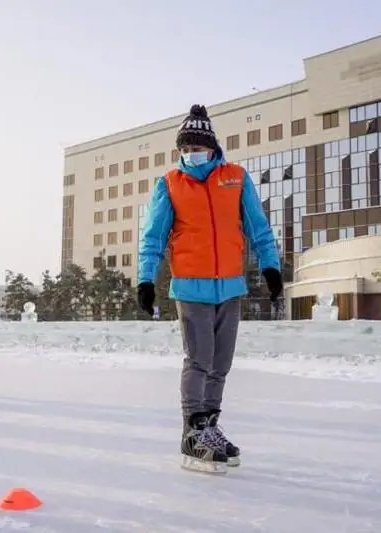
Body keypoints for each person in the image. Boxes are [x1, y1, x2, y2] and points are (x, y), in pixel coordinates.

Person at [137, 104, 283, 473]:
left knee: (221, 364)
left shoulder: (235, 177)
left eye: (196, 146)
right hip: (189, 288)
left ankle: (209, 427)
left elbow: (258, 227)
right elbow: (153, 236)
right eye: (184, 148)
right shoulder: (169, 183)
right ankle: (192, 434)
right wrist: (145, 279)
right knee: (199, 361)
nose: (191, 154)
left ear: (212, 147)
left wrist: (271, 267)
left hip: (230, 286)